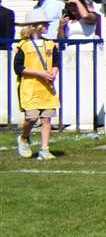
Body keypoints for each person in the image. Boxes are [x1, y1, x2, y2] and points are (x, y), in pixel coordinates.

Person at [14, 11, 58, 160]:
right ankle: (24, 137)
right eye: (44, 23)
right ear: (34, 26)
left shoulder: (50, 44)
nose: (46, 26)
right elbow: (18, 68)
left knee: (46, 118)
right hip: (30, 87)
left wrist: (53, 71)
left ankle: (44, 149)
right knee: (32, 118)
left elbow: (56, 62)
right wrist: (40, 73)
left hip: (46, 88)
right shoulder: (24, 45)